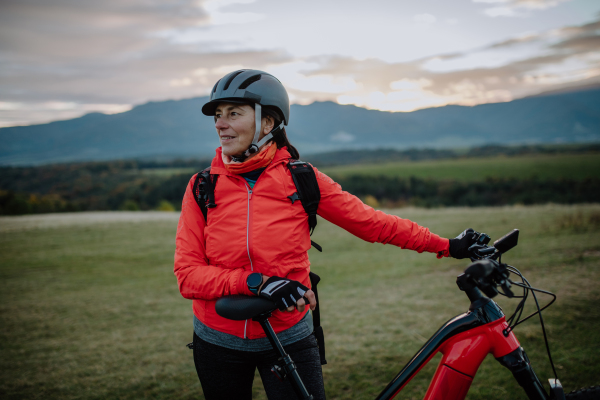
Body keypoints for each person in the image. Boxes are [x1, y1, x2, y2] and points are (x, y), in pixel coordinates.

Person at [174, 69, 478, 400]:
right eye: (218, 115)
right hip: (218, 341)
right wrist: (256, 283)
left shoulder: (302, 179)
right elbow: (188, 277)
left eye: (234, 113)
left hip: (288, 334)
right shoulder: (202, 186)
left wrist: (447, 246)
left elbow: (373, 223)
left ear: (267, 123)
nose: (220, 124)